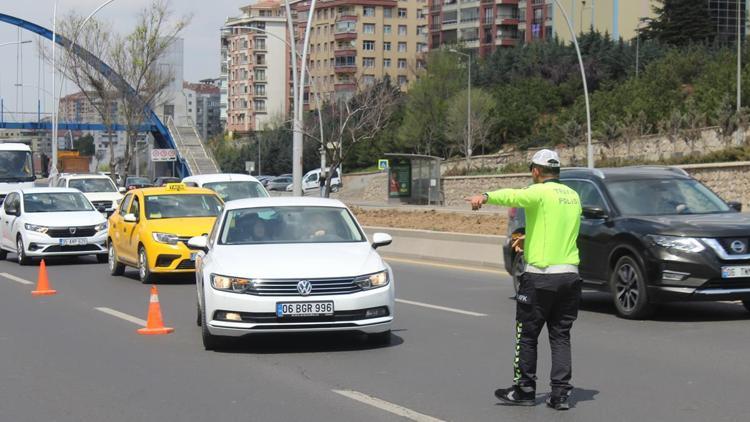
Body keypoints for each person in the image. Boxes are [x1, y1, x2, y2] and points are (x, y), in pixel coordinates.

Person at [466, 149, 582, 411]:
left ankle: (524, 389)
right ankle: (560, 395)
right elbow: (558, 231)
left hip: (540, 277)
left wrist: (484, 196)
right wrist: (530, 240)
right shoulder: (573, 196)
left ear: (536, 171)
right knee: (560, 335)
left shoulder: (538, 191)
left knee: (527, 335)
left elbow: (513, 195)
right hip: (570, 276)